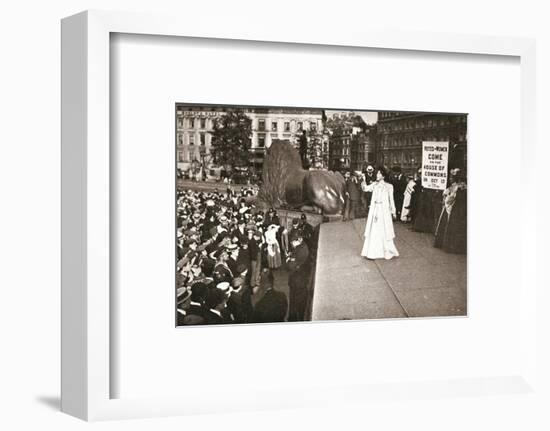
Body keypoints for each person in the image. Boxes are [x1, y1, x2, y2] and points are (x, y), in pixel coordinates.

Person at [360, 167, 399, 260]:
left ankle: (387, 251)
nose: (377, 175)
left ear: (383, 176)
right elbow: (365, 188)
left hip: (384, 211)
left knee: (384, 229)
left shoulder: (389, 186)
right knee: (374, 230)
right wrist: (364, 179)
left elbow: (391, 200)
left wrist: (393, 211)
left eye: (379, 174)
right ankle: (372, 253)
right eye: (377, 174)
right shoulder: (374, 185)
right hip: (375, 210)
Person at [434, 169, 467, 254]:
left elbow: (450, 199)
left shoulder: (455, 187)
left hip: (454, 208)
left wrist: (446, 199)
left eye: (452, 177)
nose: (450, 178)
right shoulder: (461, 186)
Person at [287, 235, 311, 321]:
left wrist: (288, 259)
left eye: (293, 242)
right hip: (302, 280)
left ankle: (294, 319)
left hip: (297, 281)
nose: (292, 244)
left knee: (295, 302)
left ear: (299, 240)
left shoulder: (300, 250)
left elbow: (290, 266)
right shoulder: (303, 246)